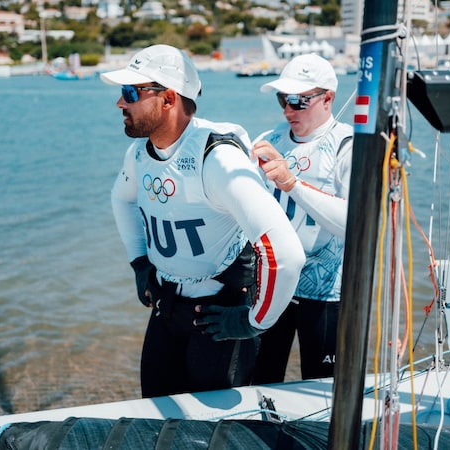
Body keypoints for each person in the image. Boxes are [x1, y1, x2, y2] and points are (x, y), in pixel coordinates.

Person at [101, 44, 305, 398]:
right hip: (167, 306)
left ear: (168, 99)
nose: (121, 103)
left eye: (131, 93)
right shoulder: (140, 152)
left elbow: (286, 253)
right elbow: (122, 199)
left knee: (214, 427)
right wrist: (139, 263)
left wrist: (254, 322)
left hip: (219, 313)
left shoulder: (218, 159)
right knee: (155, 413)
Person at [249, 53, 354, 384]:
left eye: (298, 101)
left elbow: (353, 225)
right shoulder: (271, 138)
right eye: (283, 99)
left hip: (325, 293)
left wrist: (292, 183)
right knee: (259, 381)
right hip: (274, 281)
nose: (287, 110)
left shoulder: (347, 145)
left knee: (322, 387)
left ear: (328, 98)